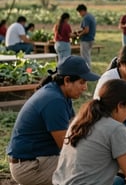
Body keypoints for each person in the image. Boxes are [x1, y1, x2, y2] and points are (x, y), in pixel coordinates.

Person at [7, 56, 99, 185]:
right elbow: (67, 145)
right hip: (30, 167)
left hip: (39, 159)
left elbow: (75, 128)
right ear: (67, 80)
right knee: (91, 172)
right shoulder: (54, 101)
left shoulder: (59, 93)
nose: (85, 87)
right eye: (82, 82)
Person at [53, 79, 126, 185]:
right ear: (119, 106)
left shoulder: (82, 119)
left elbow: (98, 151)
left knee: (117, 181)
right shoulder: (116, 129)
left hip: (61, 182)